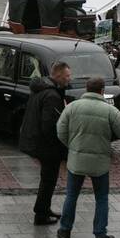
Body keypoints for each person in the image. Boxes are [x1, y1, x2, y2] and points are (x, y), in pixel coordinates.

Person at [55, 77, 120, 238]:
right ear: (102, 91)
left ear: (87, 89)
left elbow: (60, 131)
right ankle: (100, 236)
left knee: (71, 195)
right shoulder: (109, 111)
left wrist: (73, 146)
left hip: (76, 160)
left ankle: (65, 230)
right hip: (99, 163)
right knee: (101, 198)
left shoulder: (72, 107)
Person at [19, 62, 71, 225]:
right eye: (67, 76)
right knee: (48, 179)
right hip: (46, 145)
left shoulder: (41, 90)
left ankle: (44, 208)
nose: (70, 79)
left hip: (35, 140)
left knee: (47, 179)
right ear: (58, 75)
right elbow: (49, 125)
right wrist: (59, 145)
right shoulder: (52, 96)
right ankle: (41, 214)